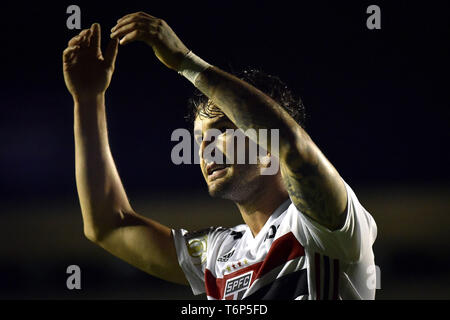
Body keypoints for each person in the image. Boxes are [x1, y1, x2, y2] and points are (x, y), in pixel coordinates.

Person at [63, 11, 377, 300]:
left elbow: (293, 146)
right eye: (200, 138)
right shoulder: (218, 253)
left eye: (223, 130)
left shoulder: (323, 224)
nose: (205, 148)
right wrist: (88, 100)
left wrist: (186, 62)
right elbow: (108, 225)